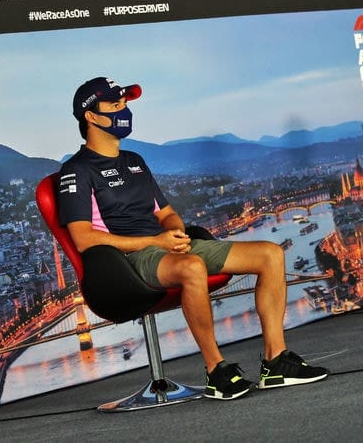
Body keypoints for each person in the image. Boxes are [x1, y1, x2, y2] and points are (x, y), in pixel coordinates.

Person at [58, 76, 328, 400]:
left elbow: (166, 213)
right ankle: (216, 371)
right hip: (126, 262)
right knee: (192, 267)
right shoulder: (76, 171)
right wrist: (156, 243)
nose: (124, 110)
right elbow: (84, 239)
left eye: (125, 104)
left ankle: (276, 362)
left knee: (270, 254)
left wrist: (173, 230)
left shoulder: (134, 162)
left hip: (166, 246)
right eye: (115, 105)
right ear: (90, 116)